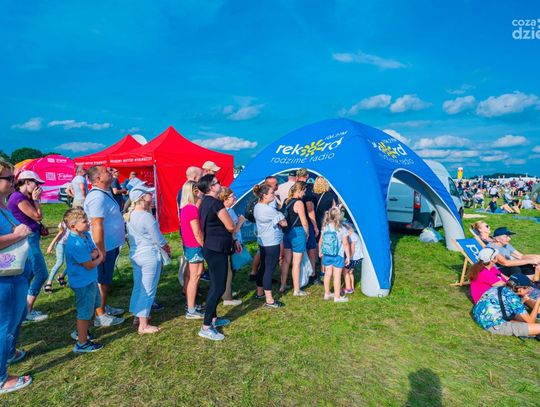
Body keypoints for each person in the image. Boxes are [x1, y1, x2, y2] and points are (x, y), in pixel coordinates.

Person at [0, 160, 33, 394]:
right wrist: (17, 235)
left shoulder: (2, 205)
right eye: (9, 178)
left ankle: (9, 352)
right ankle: (1, 378)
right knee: (5, 324)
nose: (14, 182)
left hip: (14, 273)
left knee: (15, 318)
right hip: (5, 278)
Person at [84, 165, 126, 327]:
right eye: (106, 171)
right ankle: (100, 315)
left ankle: (103, 306)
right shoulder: (97, 197)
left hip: (109, 245)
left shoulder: (103, 193)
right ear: (98, 178)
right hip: (103, 247)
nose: (110, 172)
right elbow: (96, 224)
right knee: (102, 280)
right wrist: (100, 250)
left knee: (105, 278)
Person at [125, 185, 170, 334]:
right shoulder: (146, 216)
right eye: (149, 193)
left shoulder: (131, 215)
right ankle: (143, 325)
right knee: (148, 289)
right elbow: (158, 238)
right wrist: (166, 247)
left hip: (136, 254)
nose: (152, 195)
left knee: (139, 286)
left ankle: (138, 316)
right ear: (142, 198)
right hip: (149, 255)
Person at [197, 174, 237, 341]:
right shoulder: (215, 203)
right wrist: (236, 225)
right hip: (217, 248)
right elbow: (230, 226)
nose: (220, 184)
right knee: (219, 287)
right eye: (217, 182)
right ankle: (206, 327)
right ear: (211, 187)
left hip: (211, 247)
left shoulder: (205, 201)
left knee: (215, 284)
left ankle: (213, 318)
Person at [7, 170, 49, 322]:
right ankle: (26, 311)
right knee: (41, 273)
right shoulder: (18, 197)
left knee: (29, 274)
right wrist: (37, 200)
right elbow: (37, 215)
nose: (38, 187)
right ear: (27, 182)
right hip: (27, 239)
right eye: (36, 183)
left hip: (30, 237)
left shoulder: (23, 197)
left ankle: (21, 309)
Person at [63, 208, 105, 352]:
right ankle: (82, 344)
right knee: (84, 312)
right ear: (73, 226)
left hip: (90, 279)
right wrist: (99, 257)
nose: (88, 223)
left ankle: (80, 332)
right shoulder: (75, 244)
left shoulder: (85, 235)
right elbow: (89, 264)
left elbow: (94, 251)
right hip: (82, 283)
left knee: (90, 308)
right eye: (84, 221)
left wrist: (94, 255)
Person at [473, 273, 540, 338]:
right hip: (492, 326)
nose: (529, 290)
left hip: (479, 317)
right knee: (537, 327)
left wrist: (522, 301)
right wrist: (537, 302)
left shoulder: (497, 287)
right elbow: (531, 321)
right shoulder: (513, 298)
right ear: (520, 289)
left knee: (522, 319)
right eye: (528, 288)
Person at [253, 183, 287, 308]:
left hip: (263, 241)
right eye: (272, 193)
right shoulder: (268, 210)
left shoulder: (257, 206)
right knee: (269, 269)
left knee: (263, 267)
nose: (274, 194)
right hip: (271, 242)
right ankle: (269, 300)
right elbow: (284, 223)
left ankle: (259, 292)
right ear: (264, 195)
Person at [179, 181, 205, 319]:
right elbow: (197, 232)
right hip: (194, 246)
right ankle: (191, 309)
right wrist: (204, 245)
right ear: (194, 191)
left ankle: (191, 305)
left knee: (191, 276)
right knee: (195, 277)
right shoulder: (192, 209)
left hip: (189, 245)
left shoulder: (185, 208)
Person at [280, 181, 309, 296]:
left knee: (286, 260)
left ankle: (283, 285)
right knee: (296, 262)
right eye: (304, 191)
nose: (304, 194)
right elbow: (304, 221)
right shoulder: (299, 203)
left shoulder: (286, 201)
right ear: (299, 190)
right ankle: (297, 290)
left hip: (287, 232)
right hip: (298, 232)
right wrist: (307, 233)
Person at [319, 207, 351, 303]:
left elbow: (321, 241)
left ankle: (327, 294)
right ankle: (337, 297)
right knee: (337, 276)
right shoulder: (342, 229)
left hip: (326, 254)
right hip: (338, 255)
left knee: (327, 274)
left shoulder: (325, 227)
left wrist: (320, 251)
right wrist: (348, 256)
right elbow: (345, 244)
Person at [219, 187, 243, 307]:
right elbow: (230, 230)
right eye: (232, 196)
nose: (235, 198)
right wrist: (241, 221)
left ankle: (227, 291)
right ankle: (227, 297)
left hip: (234, 242)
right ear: (225, 199)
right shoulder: (225, 212)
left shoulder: (230, 210)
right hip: (230, 242)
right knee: (228, 269)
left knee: (233, 268)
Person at [295, 169, 319, 278]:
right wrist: (315, 226)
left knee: (297, 250)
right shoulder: (307, 188)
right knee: (311, 247)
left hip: (295, 223)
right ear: (307, 176)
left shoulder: (293, 187)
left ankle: (300, 273)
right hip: (306, 222)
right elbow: (310, 209)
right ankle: (312, 272)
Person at [44, 220, 68, 293]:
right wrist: (51, 245)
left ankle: (61, 276)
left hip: (71, 244)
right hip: (61, 244)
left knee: (73, 263)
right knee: (60, 262)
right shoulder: (64, 223)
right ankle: (49, 283)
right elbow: (59, 234)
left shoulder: (78, 222)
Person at [342, 222, 363, 295]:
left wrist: (348, 258)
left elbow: (352, 249)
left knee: (345, 271)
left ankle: (348, 289)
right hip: (358, 257)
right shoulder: (354, 234)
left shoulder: (352, 237)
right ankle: (352, 287)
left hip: (354, 258)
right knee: (350, 272)